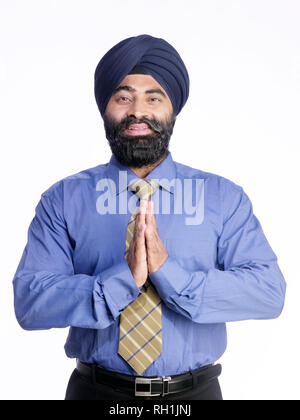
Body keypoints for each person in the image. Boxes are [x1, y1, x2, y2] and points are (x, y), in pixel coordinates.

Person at [13, 34, 286, 401]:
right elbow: (31, 302)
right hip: (95, 393)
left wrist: (169, 274)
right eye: (123, 97)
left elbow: (268, 293)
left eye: (153, 98)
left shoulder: (223, 198)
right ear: (105, 108)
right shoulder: (63, 199)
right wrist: (122, 280)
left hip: (195, 395)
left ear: (172, 108)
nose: (137, 112)